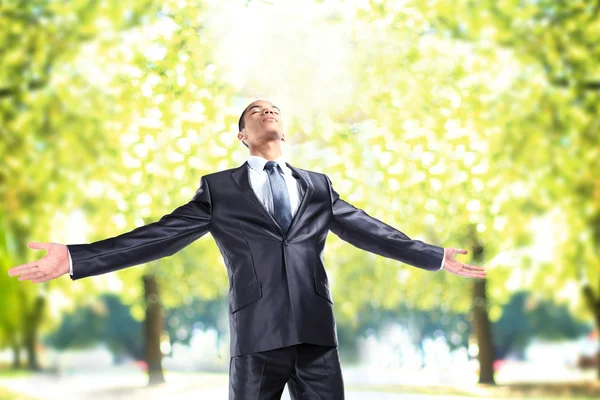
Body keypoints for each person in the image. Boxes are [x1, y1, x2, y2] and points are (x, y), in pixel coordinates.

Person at [9, 99, 486, 399]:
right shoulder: (221, 189)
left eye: (273, 109)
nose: (266, 112)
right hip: (258, 336)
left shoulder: (318, 187)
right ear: (242, 136)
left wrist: (433, 255)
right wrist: (75, 257)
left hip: (317, 336)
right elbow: (159, 236)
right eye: (254, 112)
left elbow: (369, 229)